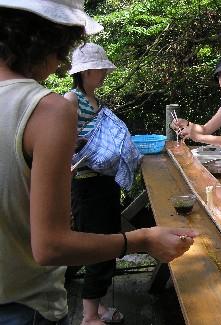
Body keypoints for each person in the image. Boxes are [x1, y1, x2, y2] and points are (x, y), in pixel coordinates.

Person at [0, 1, 197, 324]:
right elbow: (50, 247)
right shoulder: (49, 110)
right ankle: (91, 314)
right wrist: (143, 239)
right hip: (26, 306)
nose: (59, 66)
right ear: (50, 38)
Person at [63, 43, 126, 324]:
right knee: (97, 250)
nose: (104, 74)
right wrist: (85, 143)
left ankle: (97, 307)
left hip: (104, 183)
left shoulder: (94, 100)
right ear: (86, 71)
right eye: (100, 69)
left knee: (108, 245)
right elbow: (61, 143)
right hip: (86, 186)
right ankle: (89, 317)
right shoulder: (71, 100)